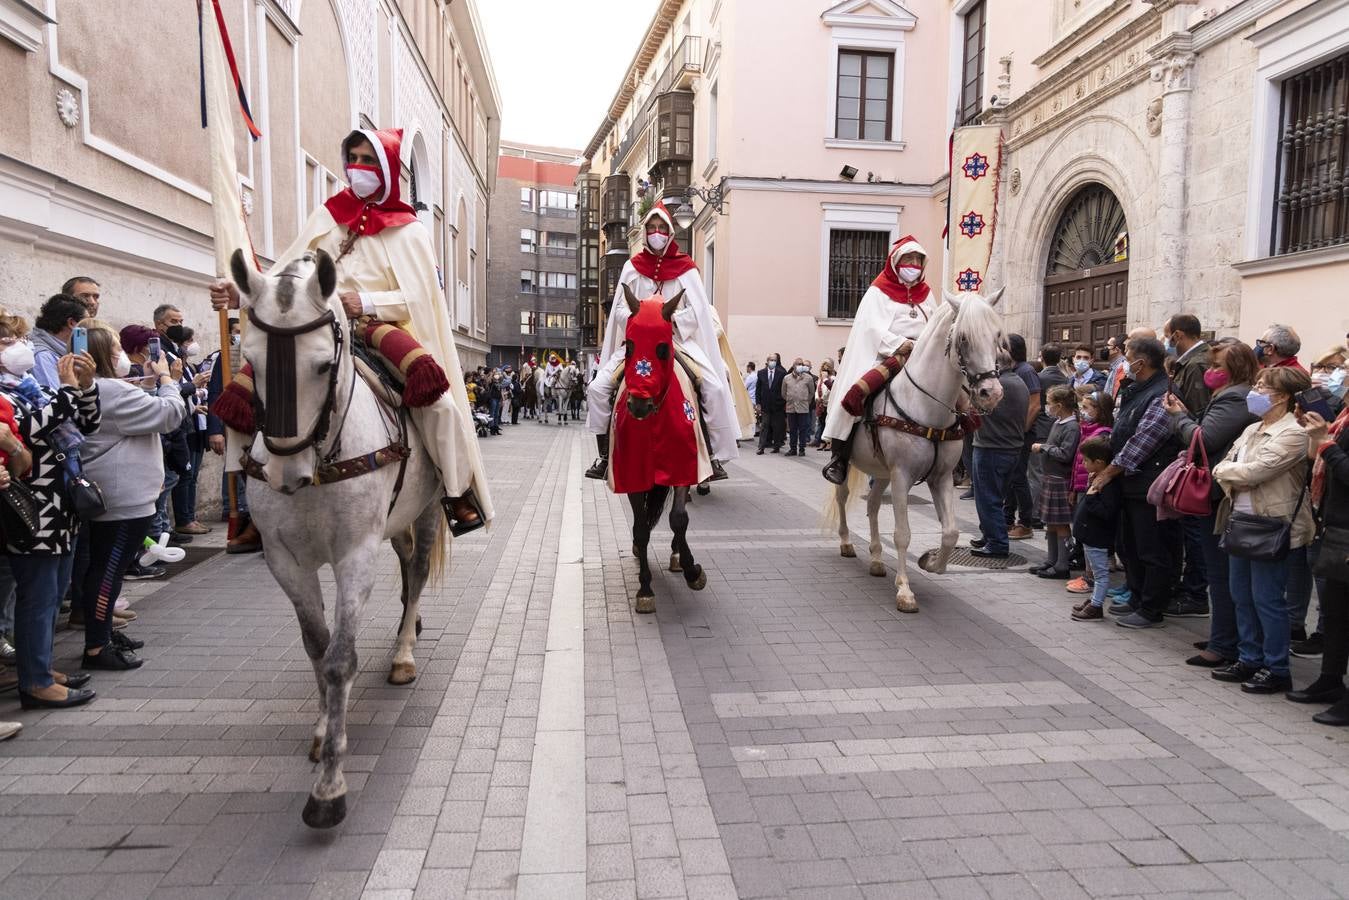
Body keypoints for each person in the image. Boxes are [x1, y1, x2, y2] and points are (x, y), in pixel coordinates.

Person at [211, 128, 492, 535]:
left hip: (375, 326)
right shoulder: (327, 216)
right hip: (316, 325)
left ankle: (455, 492)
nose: (358, 168)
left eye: (369, 160)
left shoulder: (409, 230)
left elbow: (422, 294)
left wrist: (367, 303)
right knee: (242, 394)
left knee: (439, 402)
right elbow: (281, 275)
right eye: (353, 159)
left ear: (389, 169)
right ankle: (251, 503)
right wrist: (238, 293)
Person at [584, 202, 738, 481]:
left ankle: (713, 455)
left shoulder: (686, 269)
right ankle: (604, 455)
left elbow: (699, 309)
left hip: (676, 342)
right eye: (652, 228)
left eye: (662, 228)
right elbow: (619, 308)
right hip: (640, 346)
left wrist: (671, 321)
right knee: (597, 388)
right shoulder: (632, 268)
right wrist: (641, 322)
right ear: (645, 232)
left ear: (669, 233)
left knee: (714, 387)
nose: (657, 233)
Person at [0, 312, 100, 710]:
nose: (15, 347)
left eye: (15, 339)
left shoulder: (28, 386)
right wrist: (67, 390)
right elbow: (31, 429)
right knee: (38, 598)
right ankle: (35, 681)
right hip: (32, 509)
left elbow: (87, 424)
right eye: (5, 342)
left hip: (60, 506)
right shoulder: (9, 394)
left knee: (53, 591)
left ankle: (38, 667)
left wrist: (86, 387)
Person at [76, 320, 187, 671]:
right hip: (121, 498)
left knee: (110, 567)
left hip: (121, 494)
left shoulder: (101, 388)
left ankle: (104, 633)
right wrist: (168, 379)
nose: (122, 356)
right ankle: (96, 646)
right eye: (116, 350)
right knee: (108, 570)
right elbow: (170, 414)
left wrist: (152, 385)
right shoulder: (107, 390)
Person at [1211, 366, 1314, 693]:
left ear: (1282, 396)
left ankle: (1276, 667)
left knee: (1267, 599)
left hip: (1272, 525)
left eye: (1261, 386)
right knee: (1241, 595)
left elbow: (1257, 471)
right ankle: (1249, 658)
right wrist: (1230, 469)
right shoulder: (1253, 428)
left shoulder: (1293, 433)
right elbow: (1223, 464)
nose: (1253, 391)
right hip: (1239, 521)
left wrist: (1229, 470)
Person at [1163, 339, 1260, 665]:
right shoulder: (1231, 396)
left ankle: (1223, 645)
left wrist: (1179, 417)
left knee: (1221, 574)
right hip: (1220, 491)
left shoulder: (1236, 397)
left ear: (1235, 369)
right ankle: (1223, 635)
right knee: (1220, 572)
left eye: (1218, 366)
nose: (1211, 372)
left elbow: (1204, 438)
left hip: (1220, 494)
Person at [822, 235, 937, 484]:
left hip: (923, 356)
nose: (914, 264)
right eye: (909, 259)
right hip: (890, 355)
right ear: (896, 262)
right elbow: (870, 327)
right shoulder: (878, 291)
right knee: (855, 394)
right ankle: (839, 458)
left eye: (918, 259)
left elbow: (936, 326)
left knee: (957, 397)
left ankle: (953, 459)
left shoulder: (927, 294)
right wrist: (899, 344)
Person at [1091, 337, 1182, 629]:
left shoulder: (1161, 394)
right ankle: (1137, 596)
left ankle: (1152, 607)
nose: (1123, 361)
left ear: (1141, 363)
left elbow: (1143, 441)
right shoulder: (1137, 390)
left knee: (1151, 547)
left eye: (1127, 356)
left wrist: (1108, 472)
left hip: (1149, 484)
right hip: (1132, 483)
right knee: (1130, 545)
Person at [1288, 402, 1349, 725]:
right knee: (1335, 615)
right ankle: (1329, 679)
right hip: (1335, 524)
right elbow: (1319, 459)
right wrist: (1317, 436)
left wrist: (1326, 443)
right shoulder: (1344, 416)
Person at [970, 353, 1030, 559]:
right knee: (996, 496)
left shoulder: (999, 386)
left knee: (988, 499)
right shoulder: (1018, 381)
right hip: (1009, 447)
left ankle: (997, 543)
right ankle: (990, 535)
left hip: (992, 447)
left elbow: (977, 409)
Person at [1030, 385, 1080, 579]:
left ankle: (1062, 564)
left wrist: (1044, 447)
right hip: (1051, 477)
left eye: (1049, 403)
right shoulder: (1058, 422)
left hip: (1061, 480)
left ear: (1059, 406)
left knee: (1060, 523)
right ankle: (1051, 559)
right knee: (1050, 521)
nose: (1046, 407)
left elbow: (1066, 454)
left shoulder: (1071, 427)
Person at [1066, 391, 1114, 595]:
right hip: (1082, 486)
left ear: (1100, 411)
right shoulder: (1085, 430)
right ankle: (1089, 573)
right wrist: (1073, 488)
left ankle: (1092, 577)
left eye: (1087, 408)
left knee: (1090, 532)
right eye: (1082, 407)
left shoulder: (1102, 434)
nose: (1082, 412)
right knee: (1083, 529)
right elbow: (1078, 465)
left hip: (1094, 488)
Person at [1070, 437, 1123, 621]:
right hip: (1089, 535)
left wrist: (1092, 497)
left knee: (1100, 575)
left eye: (1085, 460)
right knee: (1095, 571)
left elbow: (1107, 512)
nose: (1083, 464)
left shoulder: (1108, 485)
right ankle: (1093, 600)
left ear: (1099, 462)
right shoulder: (1098, 479)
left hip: (1097, 536)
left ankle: (1096, 606)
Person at [1003, 334, 1042, 540]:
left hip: (1021, 435)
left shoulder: (1026, 371)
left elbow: (1035, 404)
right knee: (1010, 479)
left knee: (1019, 479)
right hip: (1013, 434)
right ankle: (1007, 519)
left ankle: (1025, 522)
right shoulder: (1012, 370)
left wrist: (1021, 429)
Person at [28, 294, 87, 391]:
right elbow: (55, 399)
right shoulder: (42, 356)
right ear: (72, 323)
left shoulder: (63, 351)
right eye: (86, 322)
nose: (89, 328)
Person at [1165, 314, 1211, 415]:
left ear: (1177, 335)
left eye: (1167, 337)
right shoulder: (1194, 359)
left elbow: (1197, 411)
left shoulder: (1195, 365)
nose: (1166, 343)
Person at [782, 358, 816, 456]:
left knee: (803, 429)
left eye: (801, 364)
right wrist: (789, 399)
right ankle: (793, 448)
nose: (800, 366)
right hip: (791, 407)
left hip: (803, 408)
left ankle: (802, 448)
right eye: (798, 364)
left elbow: (811, 392)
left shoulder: (808, 378)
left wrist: (806, 401)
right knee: (792, 429)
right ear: (793, 366)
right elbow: (783, 393)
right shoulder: (787, 378)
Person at [756, 354, 786, 454]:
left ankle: (777, 446)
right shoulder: (761, 373)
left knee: (776, 426)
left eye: (774, 360)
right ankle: (761, 447)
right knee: (764, 426)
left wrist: (782, 402)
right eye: (771, 360)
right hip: (765, 405)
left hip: (777, 405)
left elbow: (784, 390)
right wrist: (758, 403)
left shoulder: (781, 373)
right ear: (767, 361)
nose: (773, 362)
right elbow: (758, 389)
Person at [814, 360, 835, 451]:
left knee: (828, 423)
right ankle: (823, 442)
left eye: (826, 370)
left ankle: (829, 443)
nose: (823, 372)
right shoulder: (820, 379)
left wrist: (823, 397)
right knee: (821, 423)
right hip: (821, 404)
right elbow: (817, 390)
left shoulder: (833, 378)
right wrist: (817, 398)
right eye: (823, 370)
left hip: (828, 403)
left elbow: (830, 390)